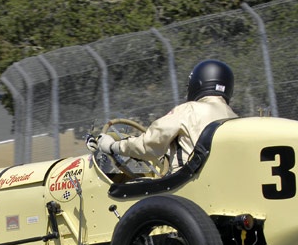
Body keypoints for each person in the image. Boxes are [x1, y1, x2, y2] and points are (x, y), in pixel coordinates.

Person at [87, 59, 239, 173]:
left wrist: (113, 146)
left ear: (197, 84)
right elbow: (190, 147)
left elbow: (149, 144)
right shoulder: (235, 118)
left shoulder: (188, 110)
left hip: (185, 187)